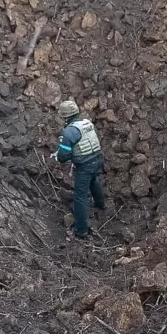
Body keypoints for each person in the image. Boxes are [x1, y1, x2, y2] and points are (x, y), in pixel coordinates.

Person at [53, 99, 105, 239]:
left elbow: (63, 156)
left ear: (65, 116)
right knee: (94, 180)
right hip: (97, 159)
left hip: (84, 165)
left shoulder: (69, 131)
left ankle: (81, 230)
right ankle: (101, 204)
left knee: (80, 196)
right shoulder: (87, 123)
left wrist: (58, 157)